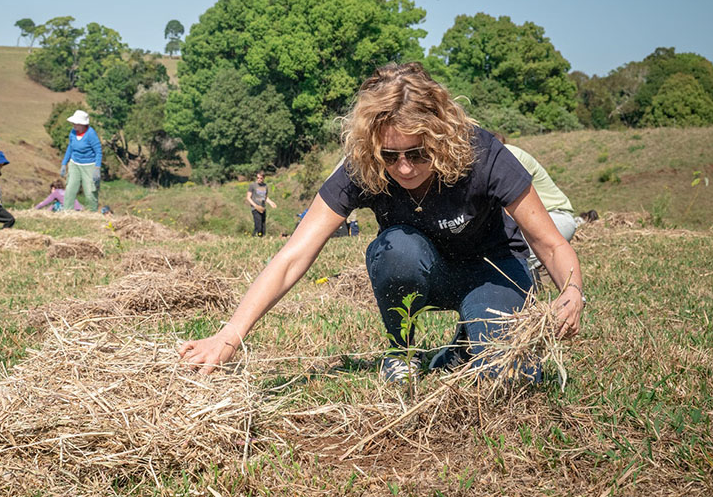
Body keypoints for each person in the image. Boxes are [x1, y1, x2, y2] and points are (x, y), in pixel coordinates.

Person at [179, 62, 585, 383]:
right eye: (390, 156)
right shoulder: (364, 165)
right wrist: (229, 336)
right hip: (424, 268)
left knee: (508, 376)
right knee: (396, 249)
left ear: (441, 136)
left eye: (418, 153)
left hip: (492, 272)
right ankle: (401, 351)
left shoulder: (484, 154)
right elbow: (293, 255)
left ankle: (465, 345)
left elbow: (550, 243)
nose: (404, 168)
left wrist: (571, 291)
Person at [493, 134, 577, 273]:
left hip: (555, 217)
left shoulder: (507, 156)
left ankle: (530, 287)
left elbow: (507, 207)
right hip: (534, 222)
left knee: (509, 252)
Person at [59, 110, 101, 211]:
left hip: (89, 165)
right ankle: (67, 211)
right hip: (74, 164)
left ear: (83, 124)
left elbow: (98, 151)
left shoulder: (91, 134)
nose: (74, 125)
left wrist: (97, 168)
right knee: (70, 189)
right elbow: (70, 147)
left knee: (90, 191)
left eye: (76, 123)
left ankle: (92, 213)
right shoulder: (73, 133)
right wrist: (64, 163)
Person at [247, 172, 278, 236]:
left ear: (263, 178)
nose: (259, 179)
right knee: (258, 225)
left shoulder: (265, 186)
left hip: (262, 208)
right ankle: (256, 237)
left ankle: (262, 238)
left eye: (261, 178)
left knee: (263, 225)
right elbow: (248, 197)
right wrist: (255, 206)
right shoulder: (252, 185)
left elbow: (265, 197)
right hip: (255, 208)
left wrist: (271, 203)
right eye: (258, 178)